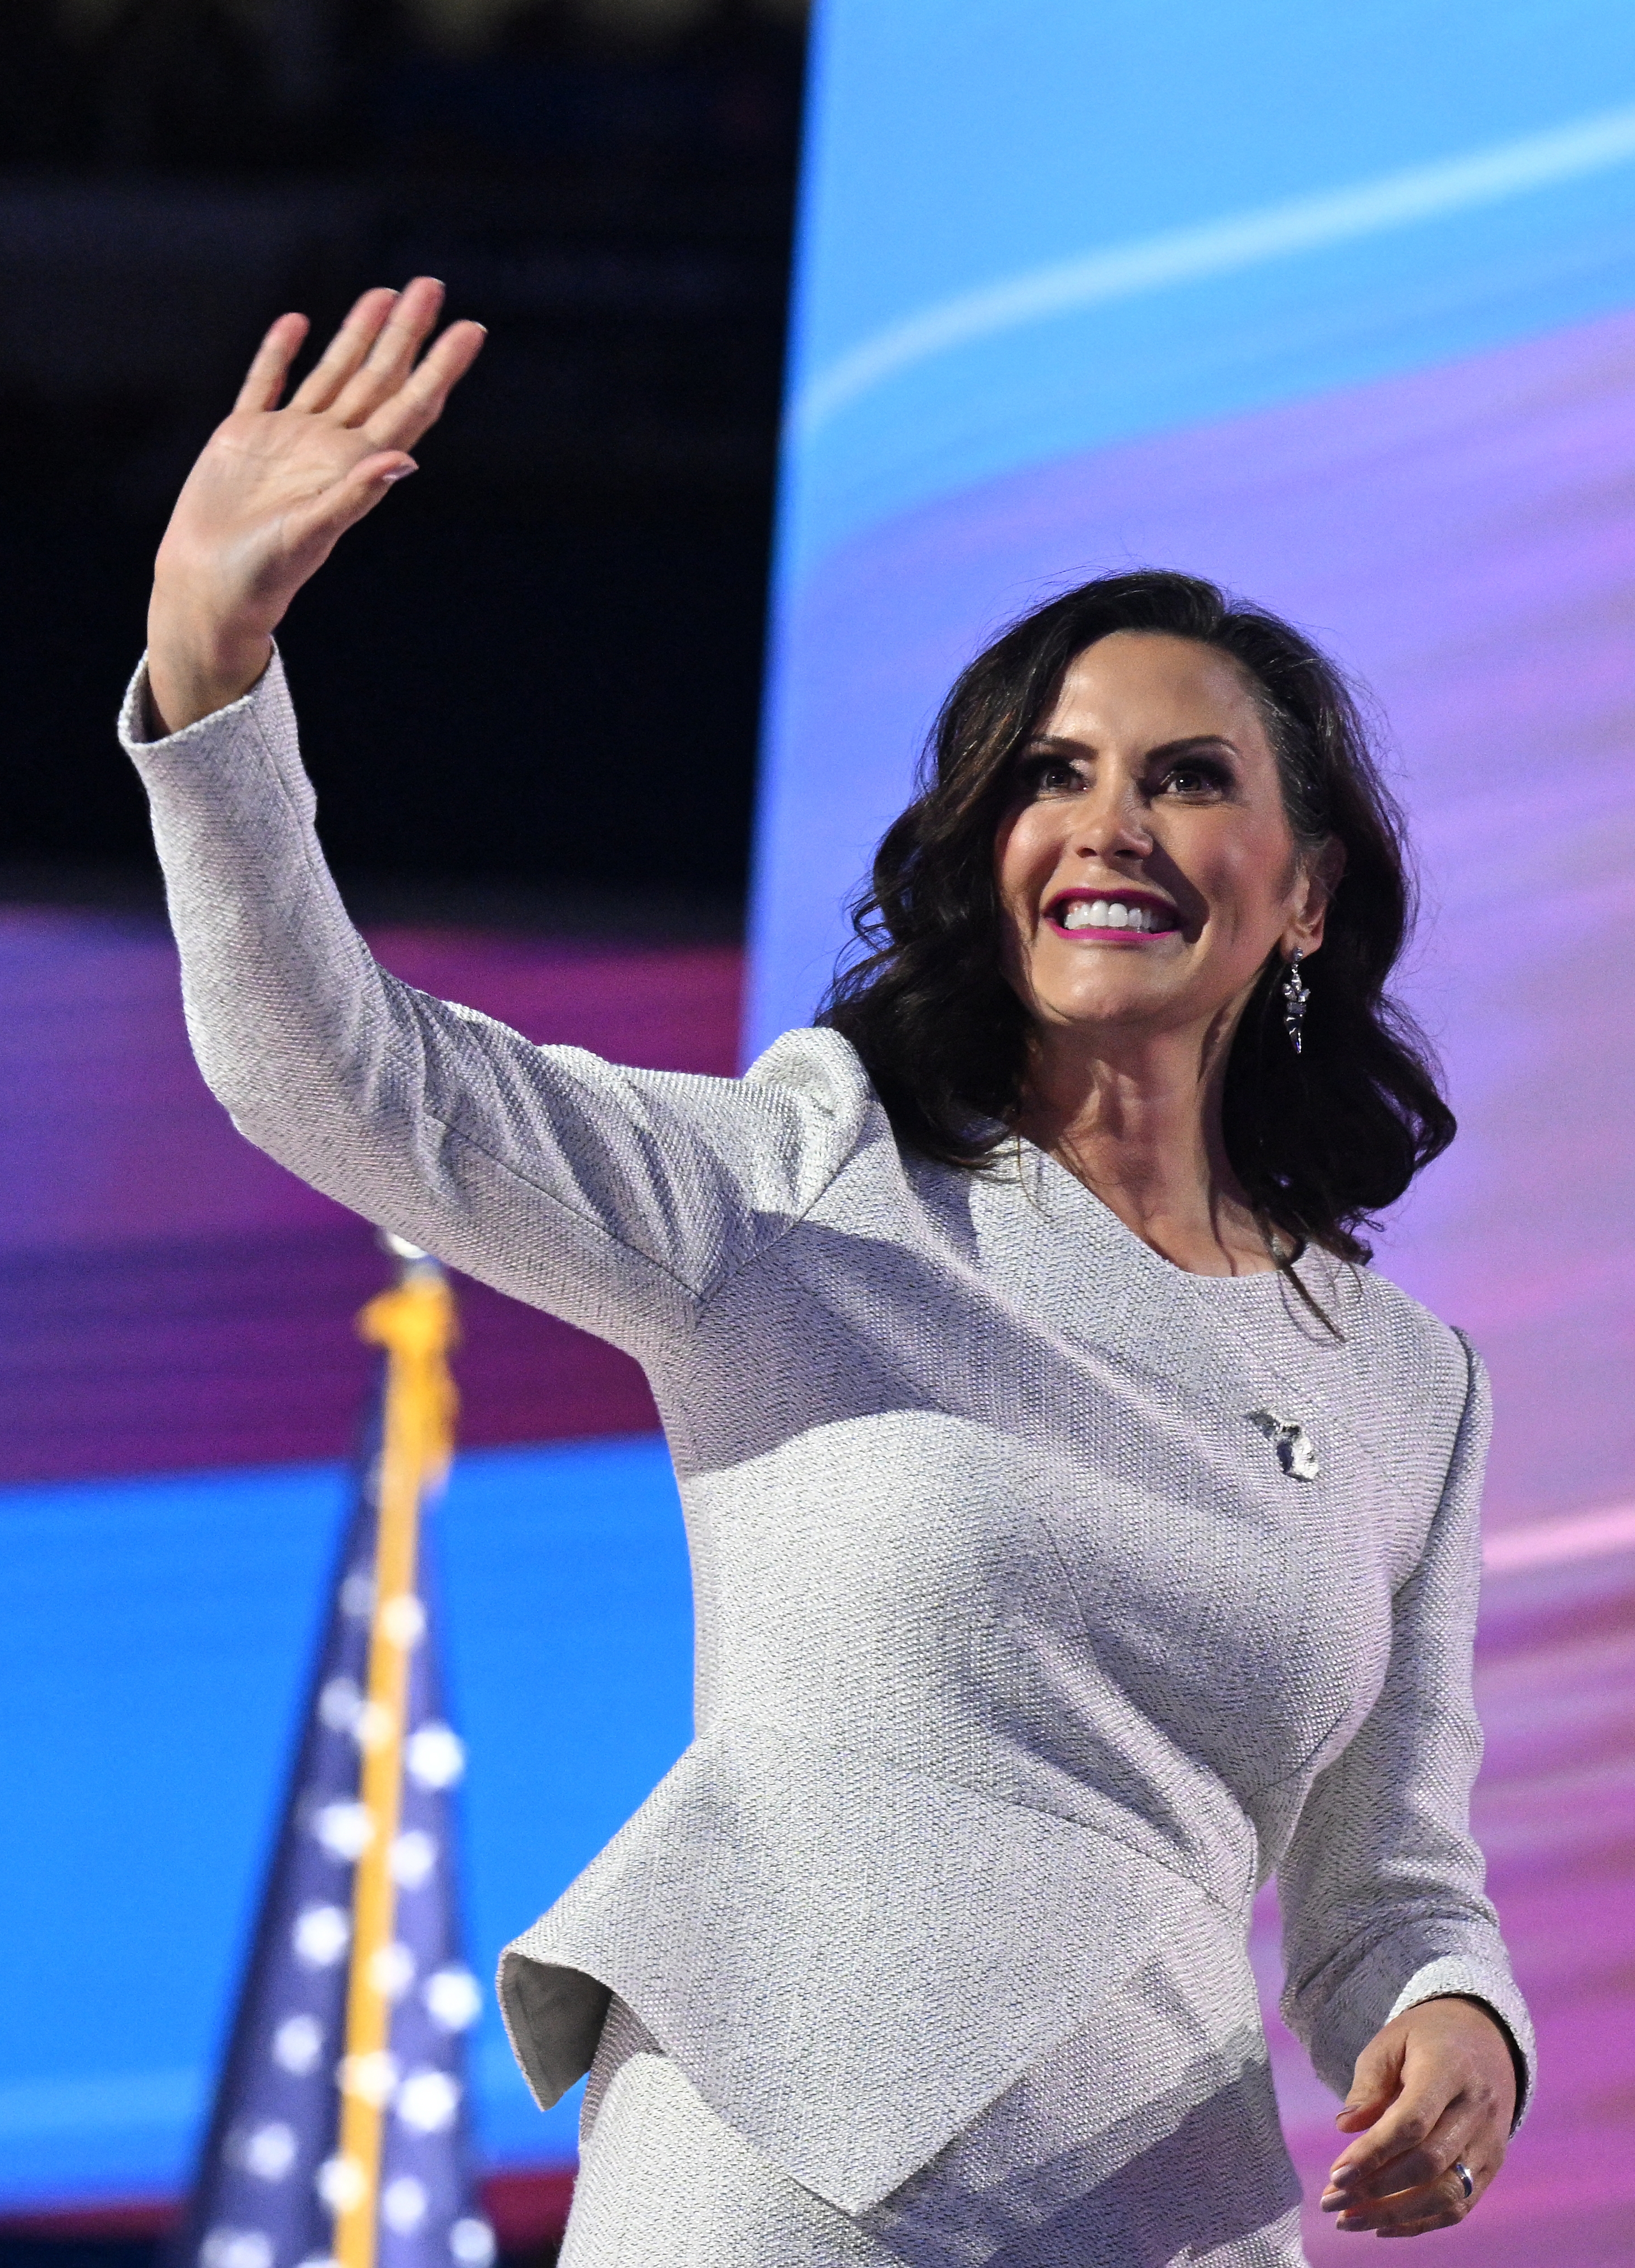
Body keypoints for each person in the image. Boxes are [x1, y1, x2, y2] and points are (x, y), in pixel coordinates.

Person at [126, 278, 1533, 2264]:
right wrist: (210, 666)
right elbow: (350, 1079)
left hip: (1167, 2201)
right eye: (1054, 773)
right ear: (990, 852)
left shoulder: (1408, 1384)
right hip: (788, 2173)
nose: (1109, 820)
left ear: (1306, 893)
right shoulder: (811, 1180)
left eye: (1191, 775)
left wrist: (1453, 2015)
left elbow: (1389, 1875)